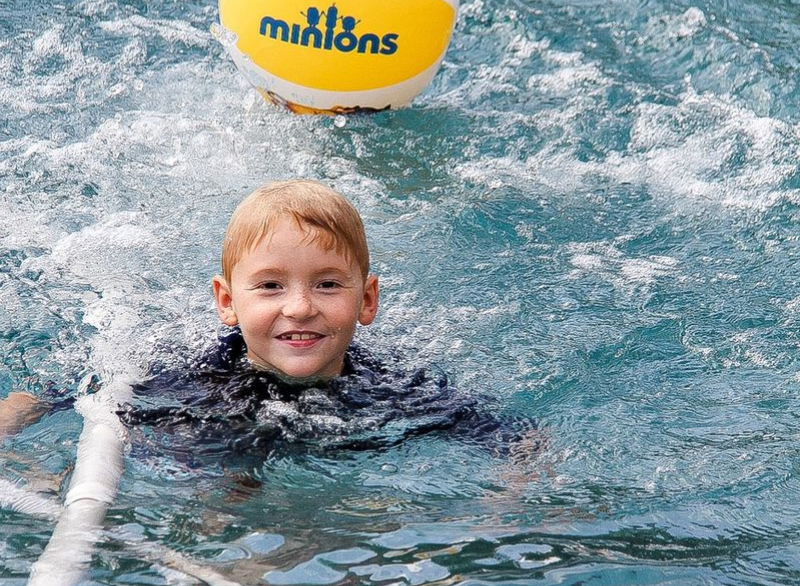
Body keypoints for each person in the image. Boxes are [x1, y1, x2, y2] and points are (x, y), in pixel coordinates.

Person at [0, 180, 539, 465]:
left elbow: (516, 441)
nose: (300, 307)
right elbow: (61, 393)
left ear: (367, 300)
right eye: (271, 286)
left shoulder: (395, 388)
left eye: (328, 284)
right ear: (227, 302)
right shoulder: (188, 376)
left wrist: (509, 504)